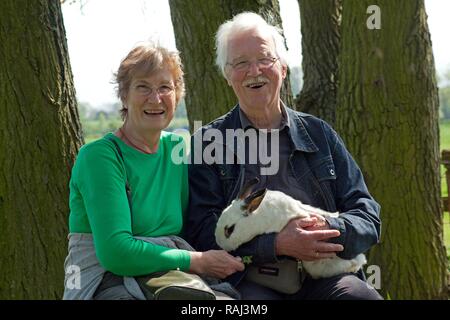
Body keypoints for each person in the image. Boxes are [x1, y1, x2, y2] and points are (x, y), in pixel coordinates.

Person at [186, 12, 383, 300]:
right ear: (228, 76)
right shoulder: (209, 143)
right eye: (241, 63)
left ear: (283, 68)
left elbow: (367, 214)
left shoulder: (319, 134)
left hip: (326, 275)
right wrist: (276, 244)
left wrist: (325, 229)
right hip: (249, 279)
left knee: (359, 297)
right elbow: (202, 231)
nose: (255, 71)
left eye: (265, 59)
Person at [63, 43, 244, 300]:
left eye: (165, 88)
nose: (155, 98)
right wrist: (199, 261)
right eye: (143, 87)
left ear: (177, 95)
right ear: (124, 95)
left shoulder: (179, 148)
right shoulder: (100, 157)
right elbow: (117, 253)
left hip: (168, 276)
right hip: (105, 279)